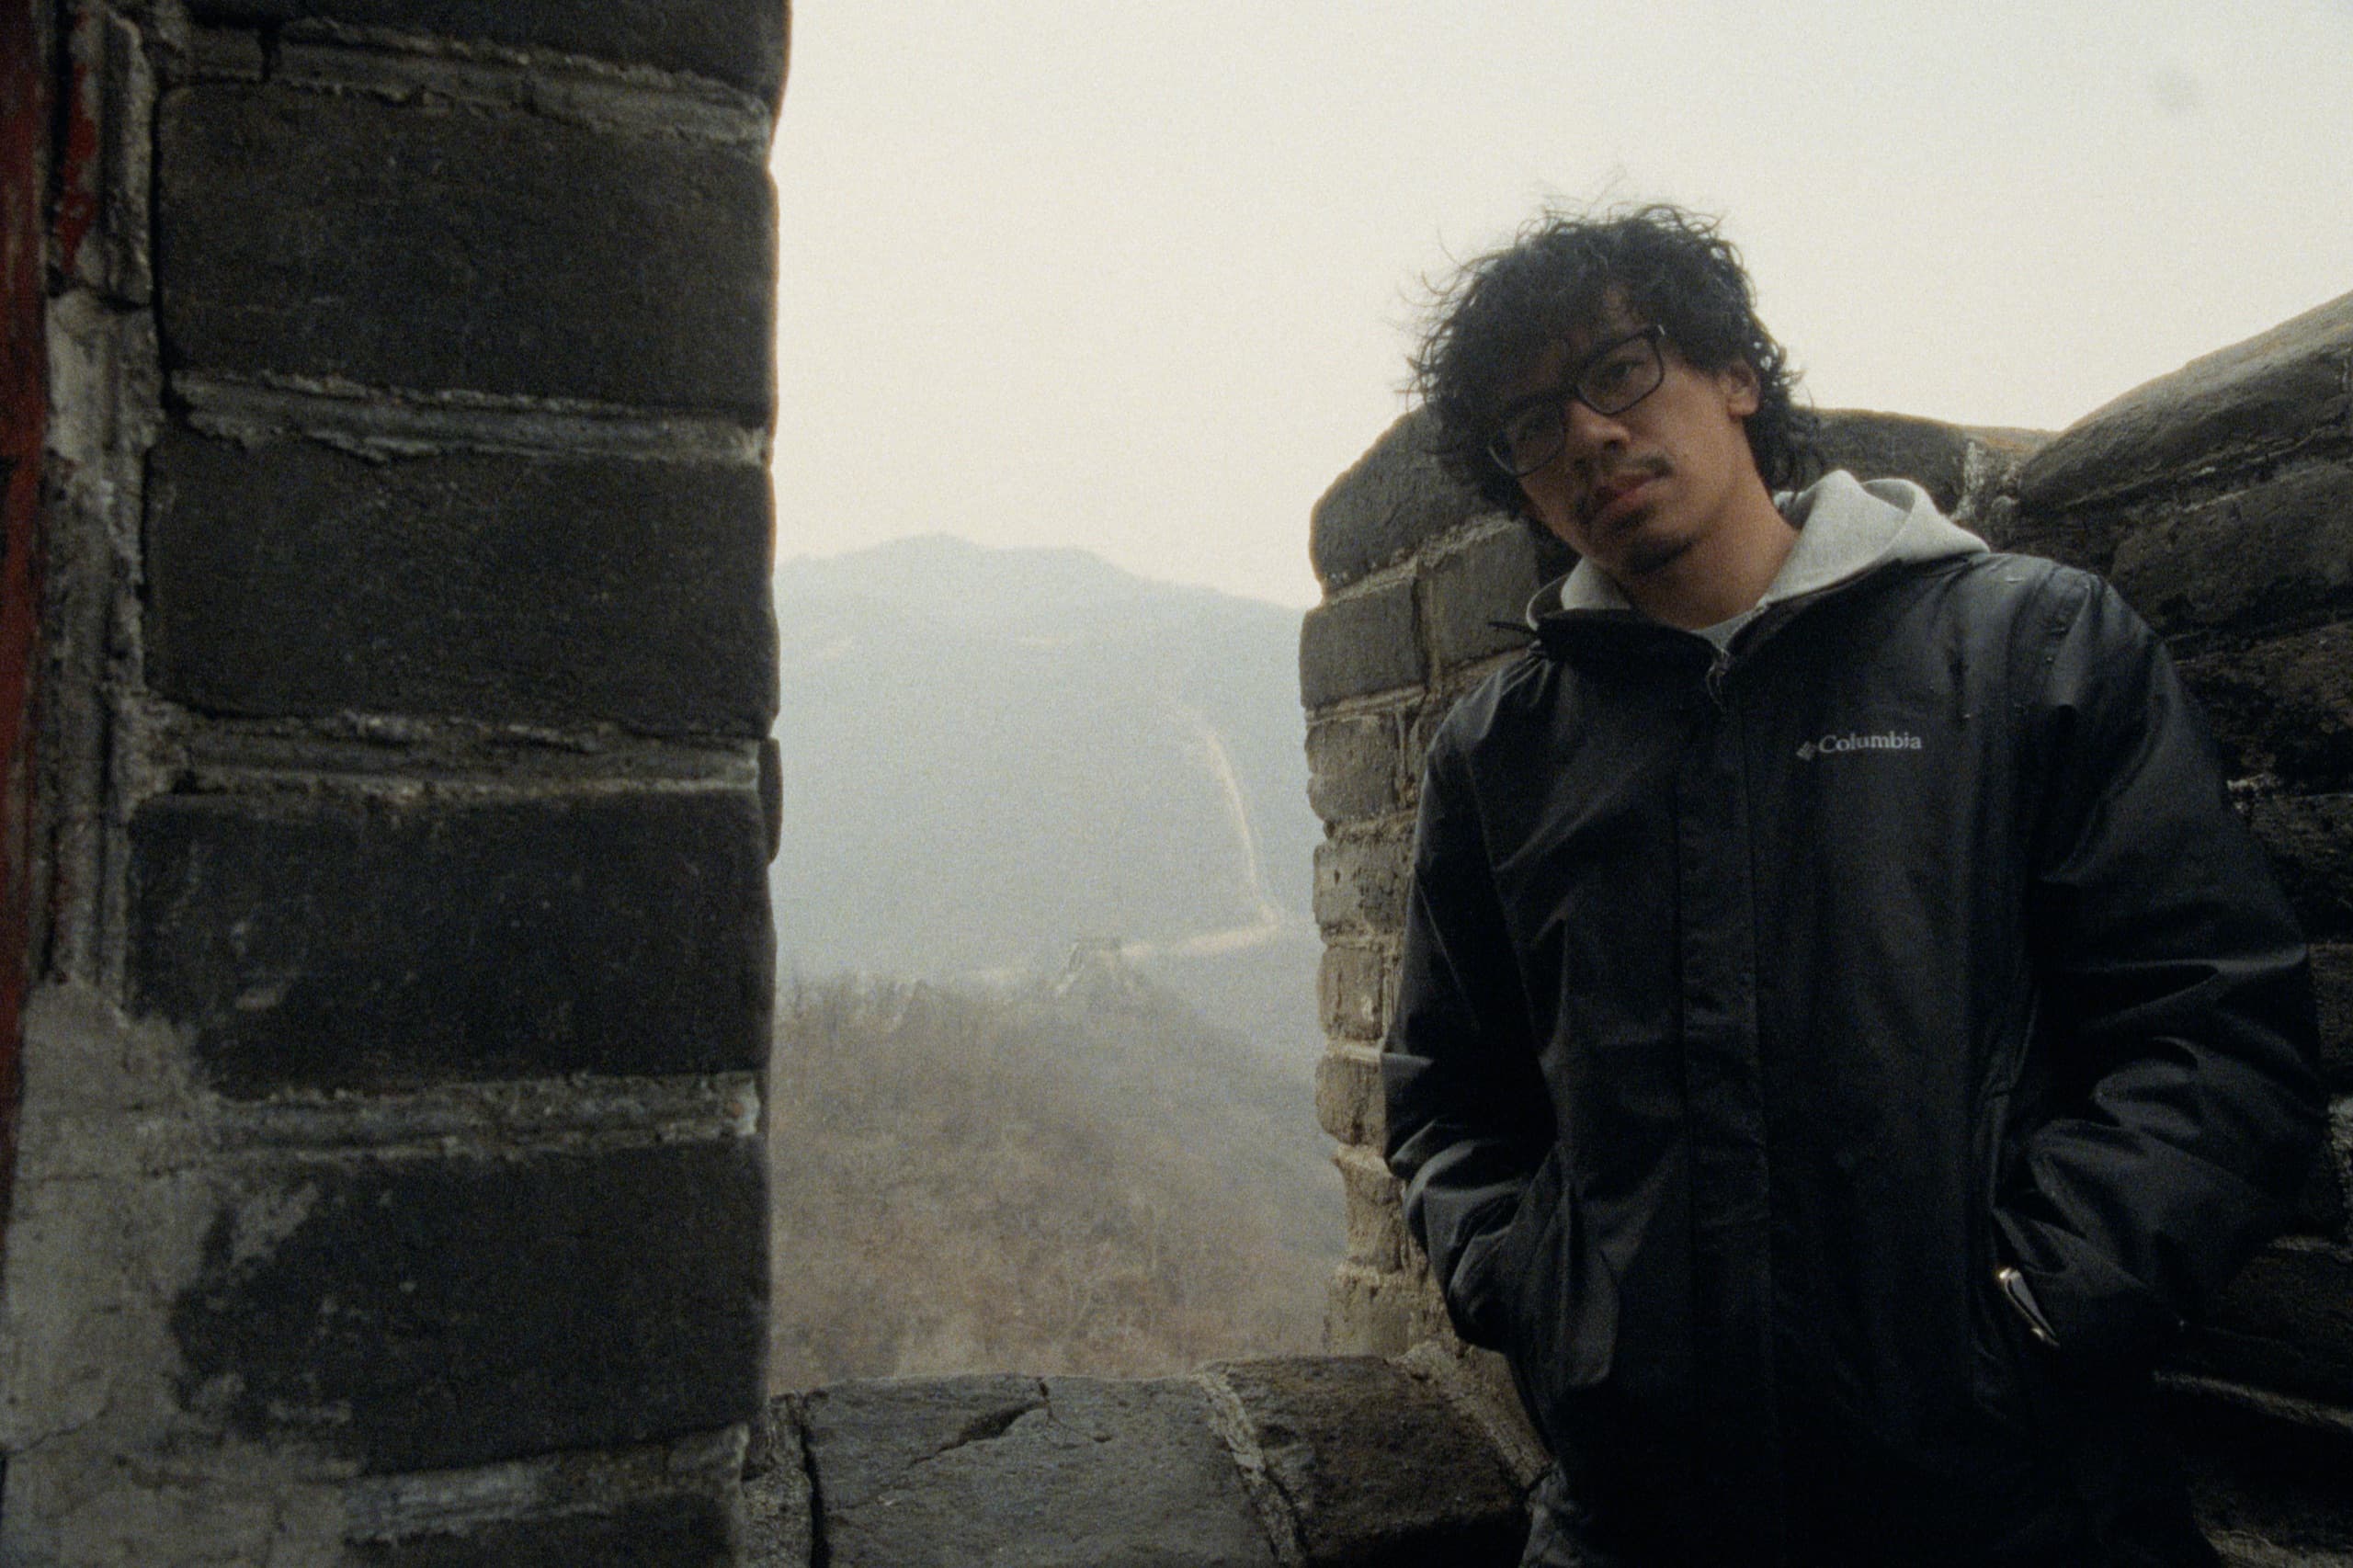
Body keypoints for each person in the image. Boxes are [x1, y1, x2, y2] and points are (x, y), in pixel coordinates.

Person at [1381, 203, 2324, 1567]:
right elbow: (1449, 1105)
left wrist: (2033, 1307)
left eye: (1620, 370)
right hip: (1639, 1516)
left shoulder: (2027, 651)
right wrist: (1549, 1298)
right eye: (1531, 423)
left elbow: (2216, 1035)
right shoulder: (1501, 755)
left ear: (1736, 375)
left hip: (2015, 1503)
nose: (1584, 432)